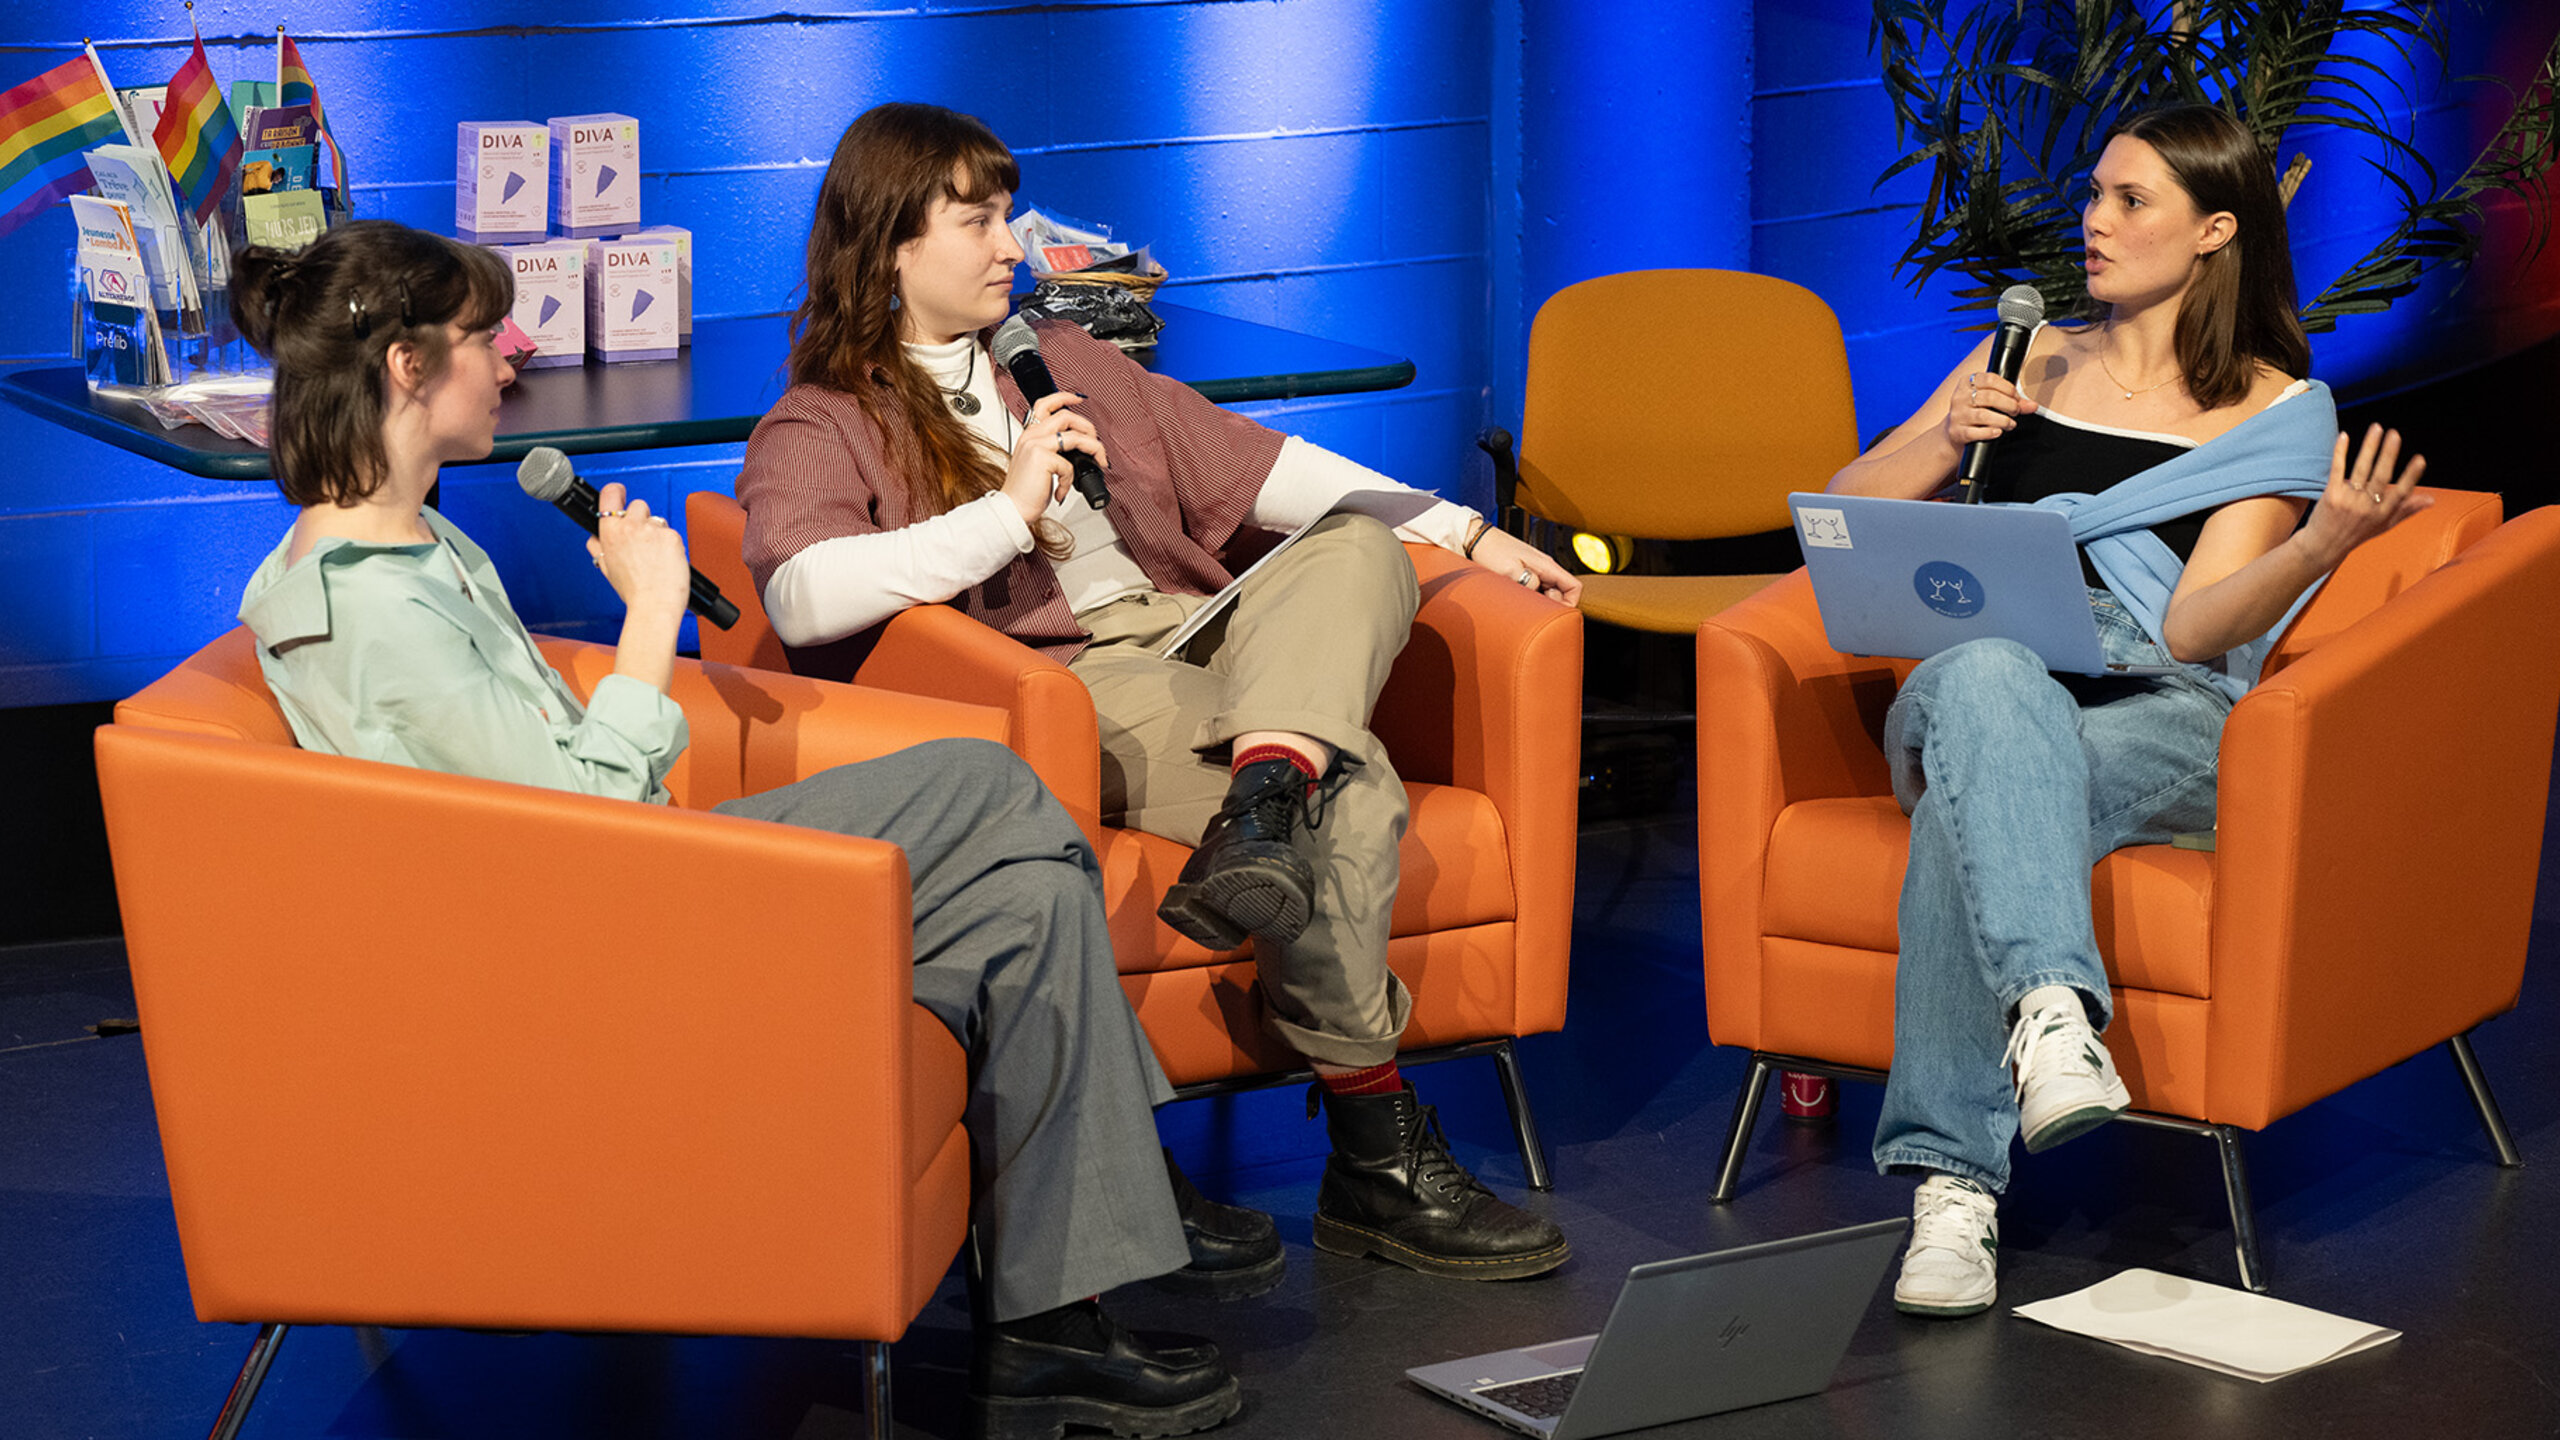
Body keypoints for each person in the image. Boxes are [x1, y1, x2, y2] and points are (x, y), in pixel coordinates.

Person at [229, 219, 1274, 1440]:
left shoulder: (413, 546)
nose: (510, 361)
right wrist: (652, 623)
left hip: (620, 887)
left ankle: (1045, 1341)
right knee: (988, 786)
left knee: (1026, 901)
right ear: (408, 368)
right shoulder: (372, 611)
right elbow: (583, 829)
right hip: (589, 945)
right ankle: (1124, 1173)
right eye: (483, 339)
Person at [735, 102, 1580, 1281]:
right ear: (888, 247)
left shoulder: (1056, 356)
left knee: (1358, 548)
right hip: (1075, 675)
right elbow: (801, 594)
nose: (1008, 250)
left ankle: (1263, 792)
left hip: (1199, 627)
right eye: (975, 224)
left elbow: (1260, 465)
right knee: (1356, 796)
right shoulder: (830, 415)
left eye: (1007, 221)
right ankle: (1373, 1151)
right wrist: (1005, 511)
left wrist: (1465, 531)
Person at [1824, 105, 2430, 1317]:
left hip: (2163, 702)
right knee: (1993, 683)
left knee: (1967, 812)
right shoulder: (2024, 355)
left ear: (2214, 231)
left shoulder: (2273, 409)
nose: (2093, 223)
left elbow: (2200, 628)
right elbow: (1844, 508)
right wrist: (1944, 436)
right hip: (1976, 679)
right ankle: (2052, 1016)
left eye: (2130, 201)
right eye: (2093, 194)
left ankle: (1953, 1196)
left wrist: (2319, 542)